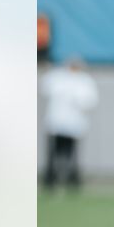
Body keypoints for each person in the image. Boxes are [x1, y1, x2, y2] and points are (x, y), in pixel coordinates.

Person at [40, 56, 98, 192]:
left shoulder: (85, 81)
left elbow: (89, 101)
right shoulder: (57, 78)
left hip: (74, 126)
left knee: (71, 155)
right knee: (53, 154)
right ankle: (50, 182)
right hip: (56, 124)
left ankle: (72, 182)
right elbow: (45, 88)